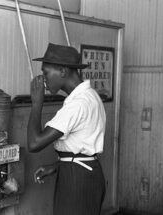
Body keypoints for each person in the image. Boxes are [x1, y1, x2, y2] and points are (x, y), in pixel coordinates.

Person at [27, 43, 106, 215]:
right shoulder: (88, 96)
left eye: (45, 72)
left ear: (63, 71)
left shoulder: (79, 103)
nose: (44, 79)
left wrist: (36, 103)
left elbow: (34, 143)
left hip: (78, 179)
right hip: (82, 172)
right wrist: (57, 165)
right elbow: (81, 147)